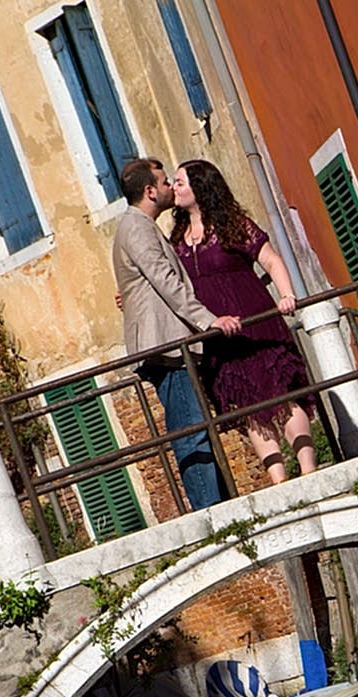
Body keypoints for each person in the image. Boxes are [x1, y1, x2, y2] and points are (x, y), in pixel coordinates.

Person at [169, 159, 317, 485]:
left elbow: (271, 259)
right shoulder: (177, 238)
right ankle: (279, 480)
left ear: (201, 186)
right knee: (247, 403)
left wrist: (286, 295)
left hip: (255, 323)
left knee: (280, 393)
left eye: (180, 181)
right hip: (218, 337)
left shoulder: (234, 224)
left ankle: (308, 470)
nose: (174, 187)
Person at [111, 156, 241, 510]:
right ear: (150, 191)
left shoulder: (142, 228)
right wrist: (207, 320)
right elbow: (165, 281)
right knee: (190, 431)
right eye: (166, 181)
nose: (171, 186)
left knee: (195, 427)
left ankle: (218, 505)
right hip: (165, 347)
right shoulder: (136, 227)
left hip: (166, 342)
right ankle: (211, 514)